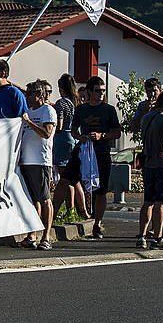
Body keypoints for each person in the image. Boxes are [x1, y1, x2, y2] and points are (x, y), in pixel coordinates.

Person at [56, 76, 121, 239]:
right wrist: (80, 137)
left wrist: (102, 135)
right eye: (98, 91)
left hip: (101, 152)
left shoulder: (109, 109)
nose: (101, 94)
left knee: (101, 190)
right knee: (65, 180)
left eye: (103, 91)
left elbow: (117, 132)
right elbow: (73, 130)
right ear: (90, 91)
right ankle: (50, 217)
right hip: (82, 151)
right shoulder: (81, 109)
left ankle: (97, 224)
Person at [137, 90, 163, 250]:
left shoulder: (147, 117)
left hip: (148, 163)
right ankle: (158, 237)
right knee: (161, 203)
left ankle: (142, 235)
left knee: (147, 202)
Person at [17, 82, 57, 250]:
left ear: (40, 95)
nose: (28, 97)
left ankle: (46, 236)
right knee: (33, 200)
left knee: (45, 198)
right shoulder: (28, 111)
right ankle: (32, 234)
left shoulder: (47, 111)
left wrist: (30, 123)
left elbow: (46, 133)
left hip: (41, 161)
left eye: (31, 94)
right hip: (26, 160)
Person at [53, 74, 84, 215]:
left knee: (65, 177)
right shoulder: (76, 102)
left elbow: (59, 125)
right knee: (72, 178)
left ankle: (69, 209)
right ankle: (73, 210)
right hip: (74, 139)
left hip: (62, 140)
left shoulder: (61, 103)